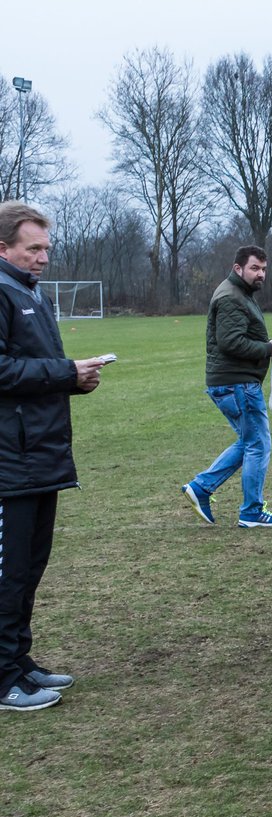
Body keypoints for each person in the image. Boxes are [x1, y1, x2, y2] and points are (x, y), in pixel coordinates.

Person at [0, 201, 105, 712]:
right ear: (3, 248)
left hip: (40, 454)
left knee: (30, 567)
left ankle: (19, 662)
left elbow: (36, 369)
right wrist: (65, 373)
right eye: (33, 248)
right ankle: (3, 679)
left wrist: (76, 379)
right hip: (9, 461)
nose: (44, 257)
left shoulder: (32, 294)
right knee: (9, 571)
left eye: (46, 247)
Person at [183, 245, 272, 528]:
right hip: (237, 384)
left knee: (248, 442)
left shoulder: (239, 294)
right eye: (255, 268)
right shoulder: (232, 297)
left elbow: (237, 337)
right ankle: (251, 510)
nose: (261, 274)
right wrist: (269, 348)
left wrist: (271, 347)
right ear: (238, 268)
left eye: (264, 269)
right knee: (258, 444)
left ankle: (202, 487)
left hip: (233, 382)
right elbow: (230, 342)